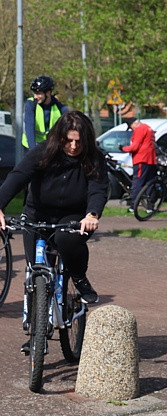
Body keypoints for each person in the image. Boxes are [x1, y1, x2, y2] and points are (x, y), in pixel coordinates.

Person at [0, 111, 107, 311]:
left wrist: (92, 214)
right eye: (68, 141)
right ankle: (36, 336)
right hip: (37, 213)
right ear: (60, 137)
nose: (74, 146)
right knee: (34, 272)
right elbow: (18, 176)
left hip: (73, 216)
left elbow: (98, 189)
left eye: (79, 142)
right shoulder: (43, 152)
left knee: (67, 240)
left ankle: (79, 278)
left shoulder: (94, 158)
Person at [119, 116, 157, 211]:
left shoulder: (140, 129)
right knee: (150, 183)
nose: (132, 129)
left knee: (137, 183)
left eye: (131, 127)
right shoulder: (148, 128)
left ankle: (133, 206)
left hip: (141, 159)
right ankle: (150, 207)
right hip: (151, 159)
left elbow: (135, 146)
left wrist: (123, 148)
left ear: (134, 124)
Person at [21, 75, 68, 148]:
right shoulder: (31, 104)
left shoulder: (61, 108)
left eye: (38, 93)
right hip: (31, 146)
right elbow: (29, 126)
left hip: (50, 147)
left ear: (48, 93)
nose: (35, 97)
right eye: (34, 93)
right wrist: (33, 151)